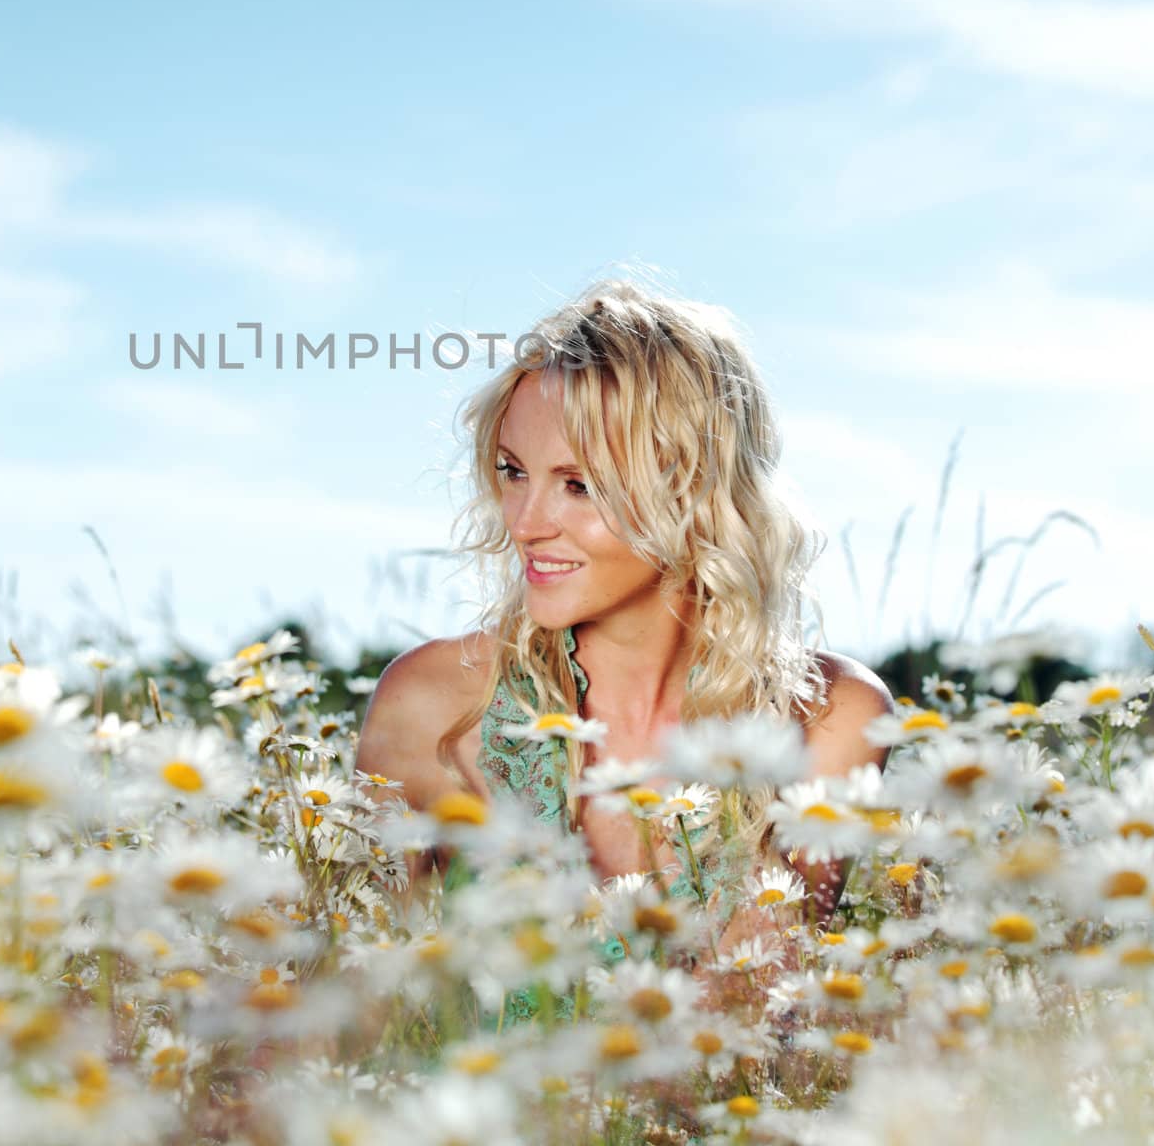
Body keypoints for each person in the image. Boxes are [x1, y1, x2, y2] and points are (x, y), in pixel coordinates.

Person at [354, 274, 894, 1012]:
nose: (525, 521)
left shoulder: (832, 720)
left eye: (578, 485)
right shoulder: (433, 705)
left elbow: (746, 1044)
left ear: (693, 488)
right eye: (513, 473)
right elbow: (347, 1009)